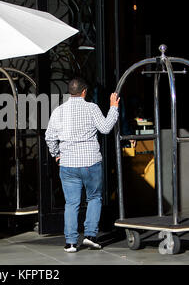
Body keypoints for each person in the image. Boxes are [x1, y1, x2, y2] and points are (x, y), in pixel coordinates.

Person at [45, 77, 120, 253]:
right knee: (94, 198)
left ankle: (70, 243)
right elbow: (105, 128)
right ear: (84, 91)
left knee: (71, 203)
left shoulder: (59, 111)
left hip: (68, 164)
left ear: (69, 92)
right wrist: (113, 108)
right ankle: (90, 236)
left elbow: (49, 137)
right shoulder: (91, 108)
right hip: (90, 162)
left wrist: (56, 155)